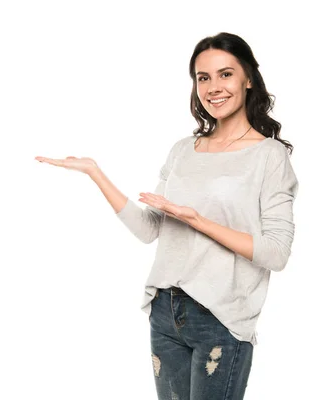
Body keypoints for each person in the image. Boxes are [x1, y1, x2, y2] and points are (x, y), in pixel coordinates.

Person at [35, 32, 298, 400]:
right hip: (166, 310)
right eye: (203, 78)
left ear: (248, 79)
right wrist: (96, 172)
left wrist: (196, 220)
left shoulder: (269, 156)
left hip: (221, 318)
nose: (213, 87)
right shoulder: (182, 150)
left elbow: (276, 253)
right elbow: (149, 230)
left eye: (225, 74)